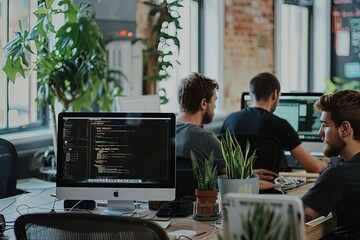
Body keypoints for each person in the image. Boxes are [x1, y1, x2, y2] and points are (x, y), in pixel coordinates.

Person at [176, 72, 278, 190]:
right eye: (214, 100)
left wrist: (252, 173)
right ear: (204, 103)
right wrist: (258, 184)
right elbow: (235, 179)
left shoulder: (164, 131)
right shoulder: (204, 137)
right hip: (201, 204)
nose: (214, 106)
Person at [220, 72, 329, 173]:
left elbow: (221, 164)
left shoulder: (230, 120)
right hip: (273, 188)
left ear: (251, 93)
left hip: (237, 188)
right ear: (275, 94)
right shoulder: (280, 125)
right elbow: (314, 167)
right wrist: (325, 162)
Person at [301, 90, 360, 238]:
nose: (319, 132)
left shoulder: (340, 174)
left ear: (344, 129)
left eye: (324, 125)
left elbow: (295, 216)